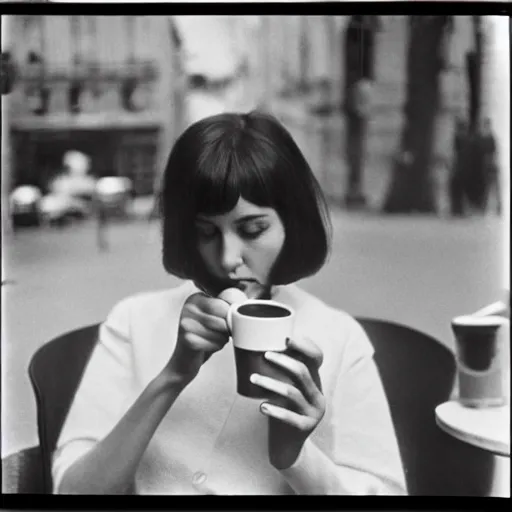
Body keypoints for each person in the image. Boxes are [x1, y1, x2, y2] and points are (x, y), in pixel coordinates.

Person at [52, 111, 407, 495]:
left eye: (253, 230)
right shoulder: (135, 321)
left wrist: (295, 456)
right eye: (206, 232)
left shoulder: (338, 337)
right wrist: (172, 376)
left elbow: (385, 492)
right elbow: (73, 492)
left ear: (293, 222)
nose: (227, 258)